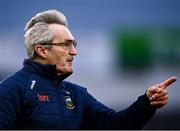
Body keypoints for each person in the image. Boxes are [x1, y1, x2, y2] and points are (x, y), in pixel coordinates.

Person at [0, 9, 177, 129]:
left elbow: (114, 125)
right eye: (66, 45)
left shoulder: (77, 94)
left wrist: (146, 102)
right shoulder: (11, 90)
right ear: (42, 50)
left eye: (74, 44)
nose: (74, 52)